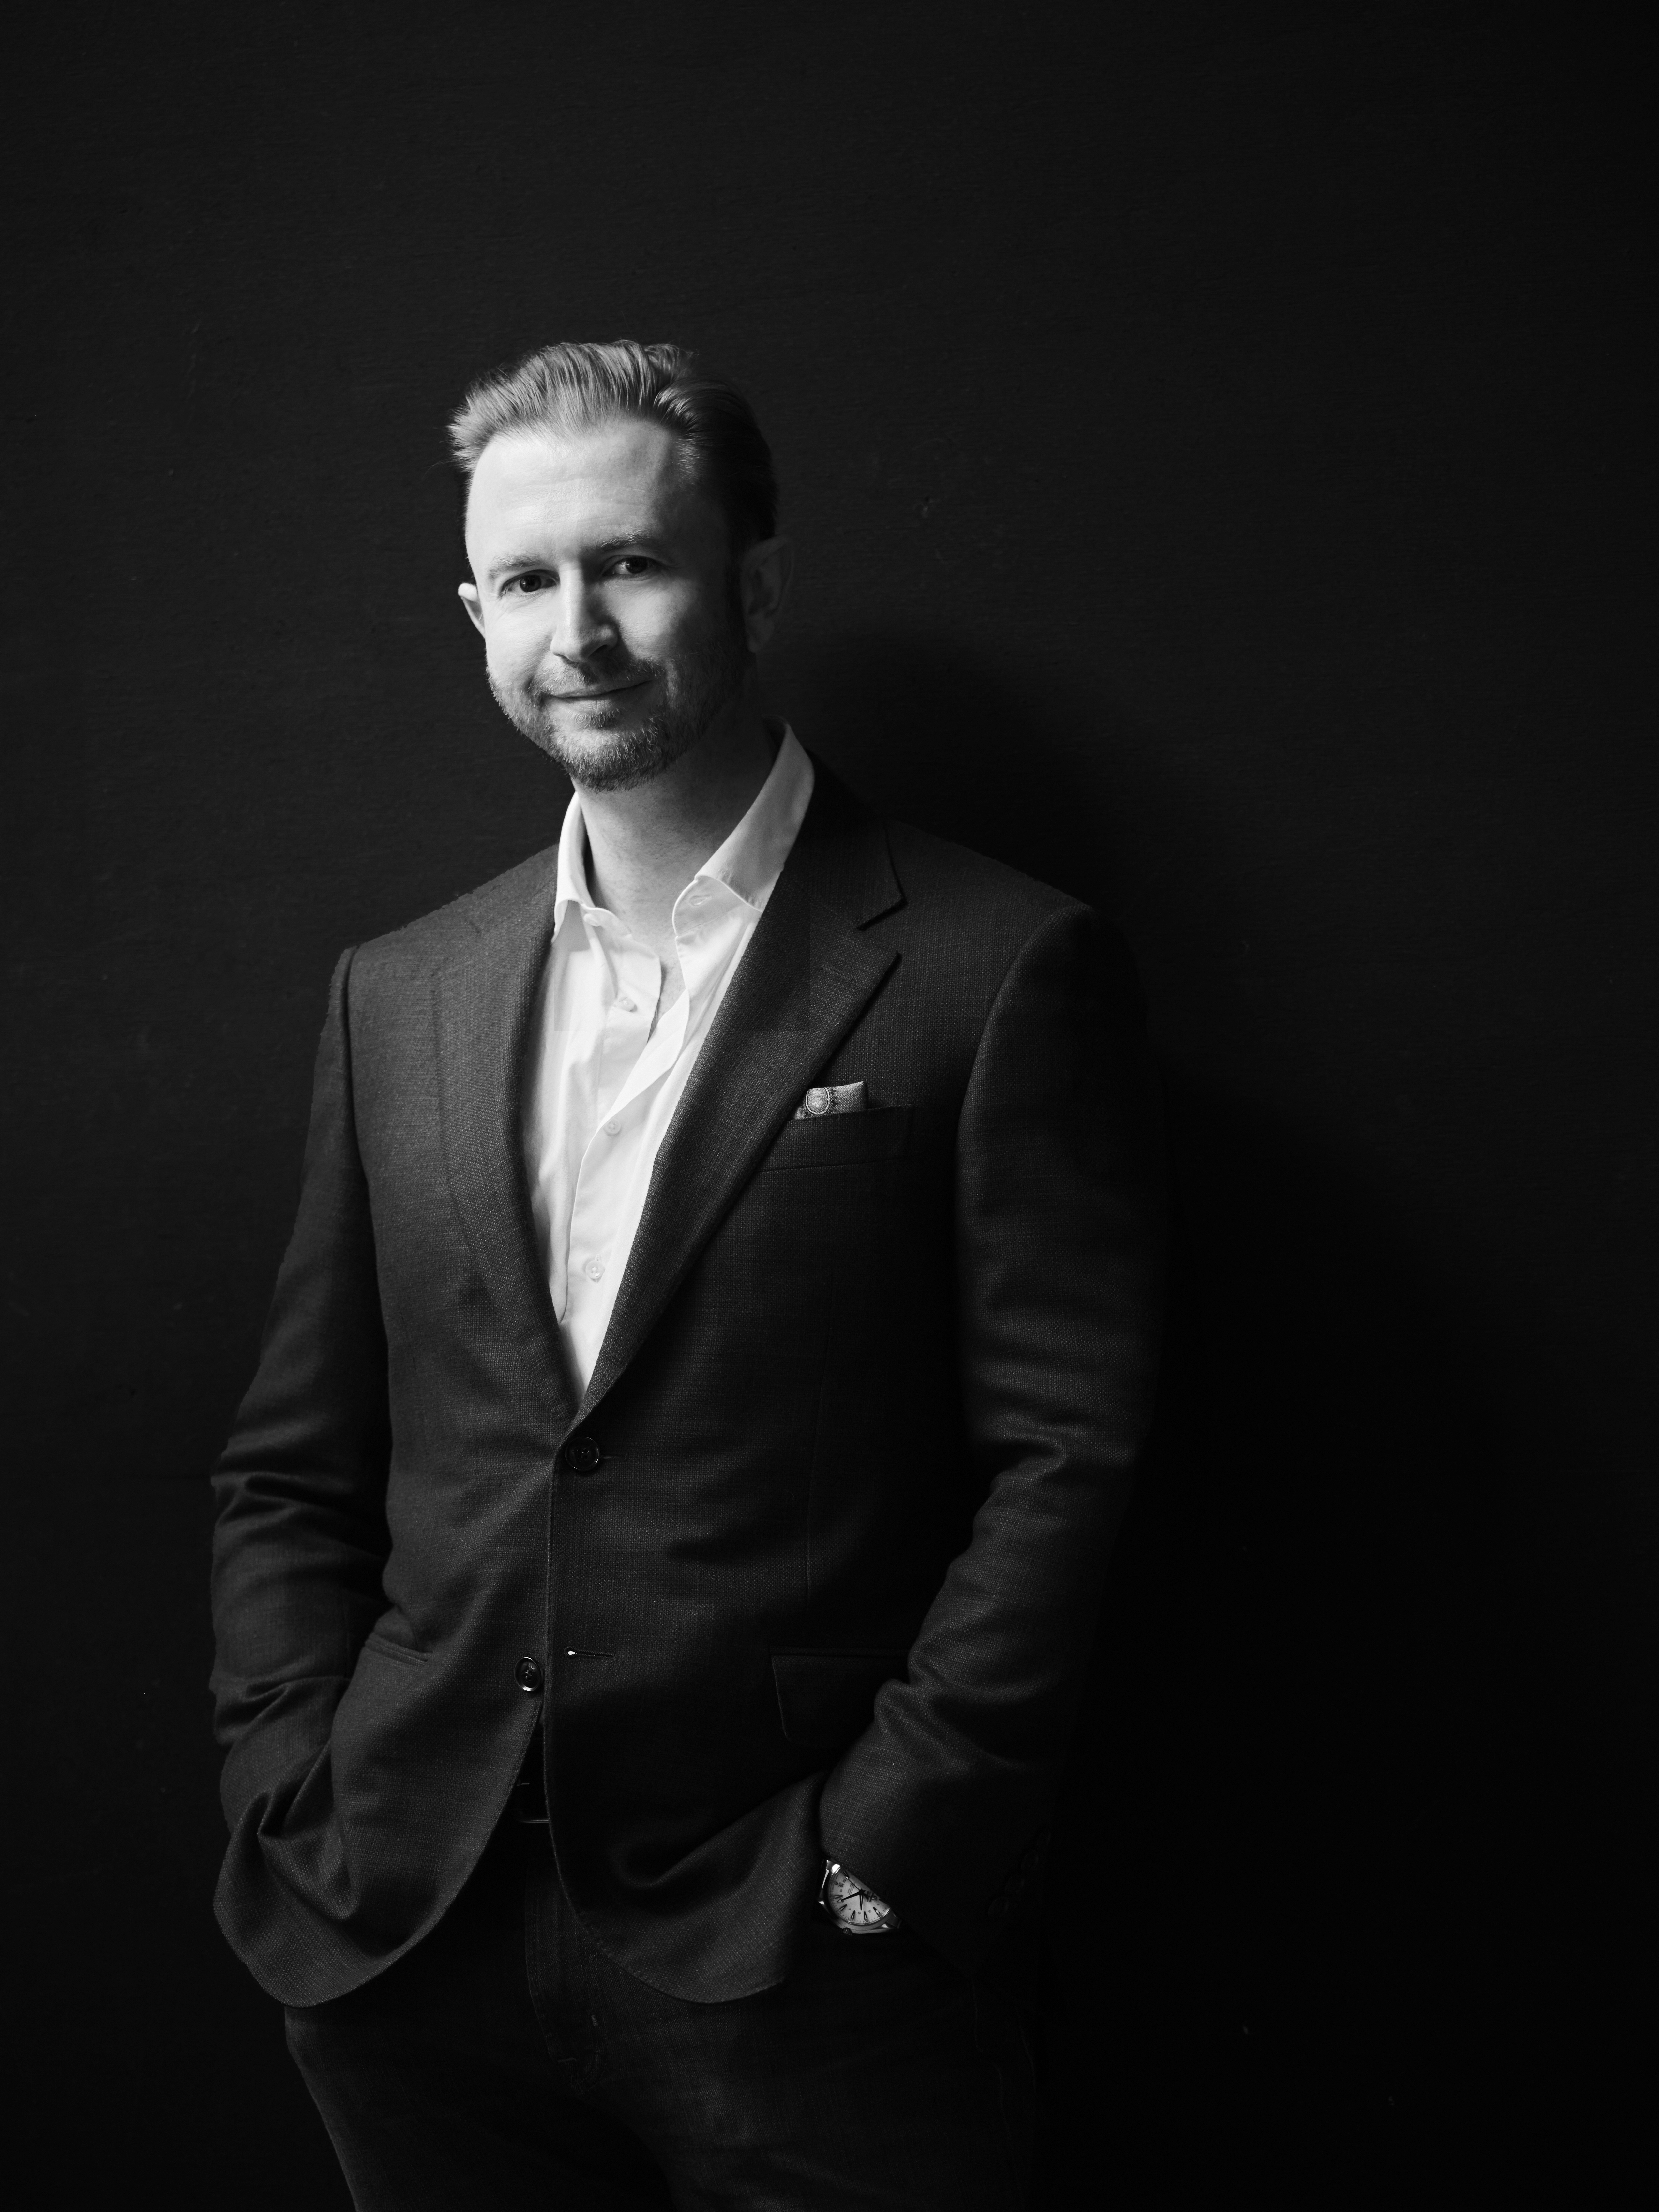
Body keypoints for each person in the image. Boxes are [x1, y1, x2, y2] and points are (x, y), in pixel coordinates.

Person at [210, 339, 1164, 2210]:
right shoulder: (396, 992)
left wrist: (891, 1847)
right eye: (528, 581)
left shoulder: (995, 963)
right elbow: (294, 1455)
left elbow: (1072, 1457)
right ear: (475, 613)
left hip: (796, 1947)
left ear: (755, 583)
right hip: (409, 1933)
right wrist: (289, 1781)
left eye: (629, 564)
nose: (581, 629)